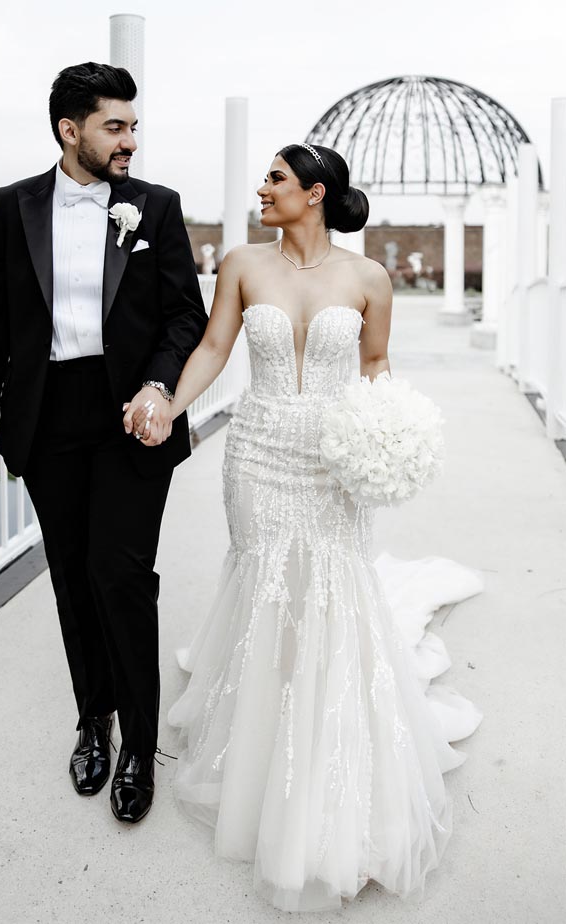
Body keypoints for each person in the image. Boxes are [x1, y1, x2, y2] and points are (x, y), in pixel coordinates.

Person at [127, 143, 482, 909]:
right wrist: (166, 401)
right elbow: (216, 347)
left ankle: (325, 751)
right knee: (265, 584)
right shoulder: (243, 265)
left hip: (333, 459)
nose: (262, 190)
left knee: (331, 588)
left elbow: (376, 363)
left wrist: (386, 437)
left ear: (314, 193)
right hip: (257, 455)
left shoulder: (369, 279)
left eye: (275, 179)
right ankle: (260, 736)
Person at [0, 62, 207, 824]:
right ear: (72, 130)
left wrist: (159, 388)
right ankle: (91, 719)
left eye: (133, 124)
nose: (131, 139)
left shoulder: (154, 208)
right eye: (115, 126)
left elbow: (183, 320)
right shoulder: (13, 207)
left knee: (121, 575)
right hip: (47, 416)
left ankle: (138, 744)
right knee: (71, 575)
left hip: (133, 416)